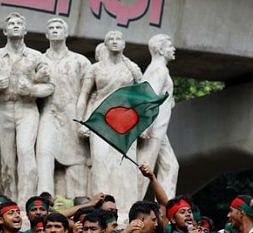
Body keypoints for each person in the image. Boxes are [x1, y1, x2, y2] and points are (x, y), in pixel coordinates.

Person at [0, 12, 53, 203]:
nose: (16, 25)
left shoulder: (36, 56)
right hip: (2, 109)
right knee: (7, 160)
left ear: (25, 30)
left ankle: (26, 201)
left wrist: (32, 89)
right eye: (11, 23)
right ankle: (10, 202)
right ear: (5, 30)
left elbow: (50, 86)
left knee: (26, 151)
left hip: (27, 108)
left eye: (19, 23)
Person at [76, 30, 142, 210]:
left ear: (123, 44)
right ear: (105, 44)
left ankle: (128, 208)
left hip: (126, 117)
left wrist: (143, 124)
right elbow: (84, 95)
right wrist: (80, 120)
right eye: (110, 39)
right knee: (100, 162)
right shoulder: (95, 68)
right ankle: (101, 207)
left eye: (118, 39)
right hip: (101, 116)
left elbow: (141, 95)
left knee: (125, 164)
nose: (114, 42)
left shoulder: (131, 67)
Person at [36, 17, 91, 197]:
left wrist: (86, 120)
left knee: (77, 158)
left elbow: (90, 93)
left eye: (58, 27)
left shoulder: (80, 61)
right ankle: (45, 195)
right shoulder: (38, 60)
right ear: (46, 34)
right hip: (48, 112)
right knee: (44, 150)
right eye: (51, 27)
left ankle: (79, 199)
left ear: (66, 33)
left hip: (73, 114)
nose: (54, 30)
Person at [137, 34, 179, 198]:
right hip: (153, 128)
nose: (173, 49)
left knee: (170, 166)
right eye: (169, 46)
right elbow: (150, 97)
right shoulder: (159, 69)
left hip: (160, 129)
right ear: (161, 50)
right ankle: (132, 205)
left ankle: (167, 208)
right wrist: (145, 126)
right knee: (144, 167)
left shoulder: (159, 69)